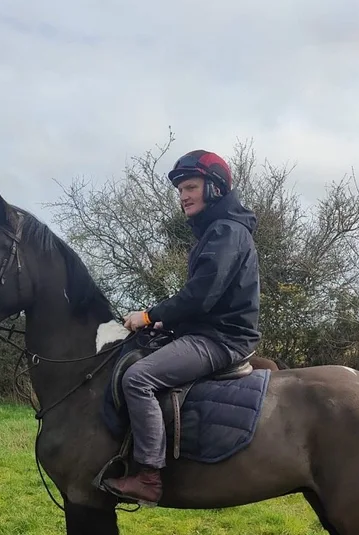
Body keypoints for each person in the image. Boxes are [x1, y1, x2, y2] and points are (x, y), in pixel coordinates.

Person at [103, 150, 261, 504]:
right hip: (208, 332)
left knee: (138, 378)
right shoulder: (217, 230)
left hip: (221, 339)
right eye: (180, 190)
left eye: (191, 186)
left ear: (215, 188)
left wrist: (149, 314)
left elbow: (201, 294)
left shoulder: (226, 231)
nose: (184, 195)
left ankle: (148, 477)